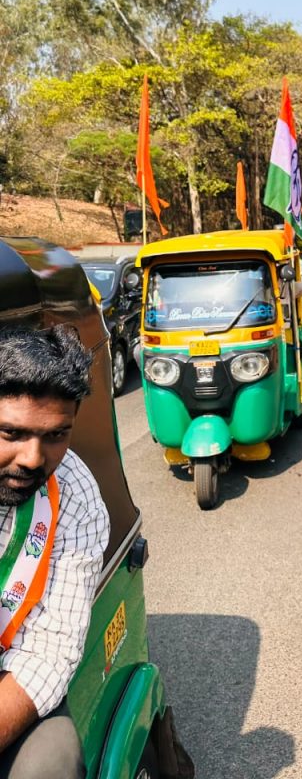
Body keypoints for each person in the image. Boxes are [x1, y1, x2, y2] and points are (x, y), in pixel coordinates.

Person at [0, 326, 110, 779]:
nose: (32, 458)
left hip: (11, 671)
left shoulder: (77, 498)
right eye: (11, 432)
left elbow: (48, 652)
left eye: (55, 436)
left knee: (53, 761)